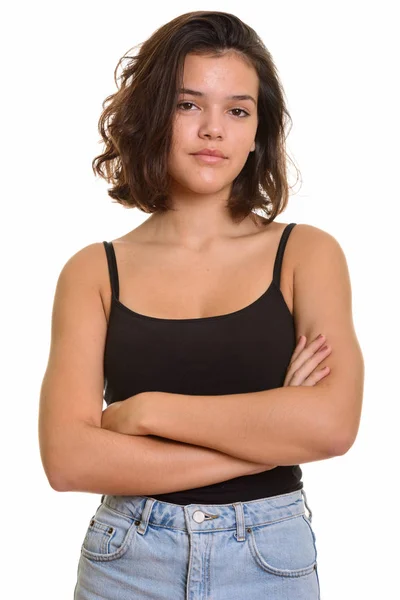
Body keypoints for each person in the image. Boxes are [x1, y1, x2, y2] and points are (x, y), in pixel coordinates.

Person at [38, 10, 364, 600]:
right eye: (189, 105)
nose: (213, 129)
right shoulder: (93, 271)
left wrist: (147, 413)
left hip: (269, 558)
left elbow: (332, 424)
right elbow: (68, 460)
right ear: (152, 115)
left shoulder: (305, 254)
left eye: (237, 110)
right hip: (125, 558)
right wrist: (270, 436)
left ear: (257, 130)